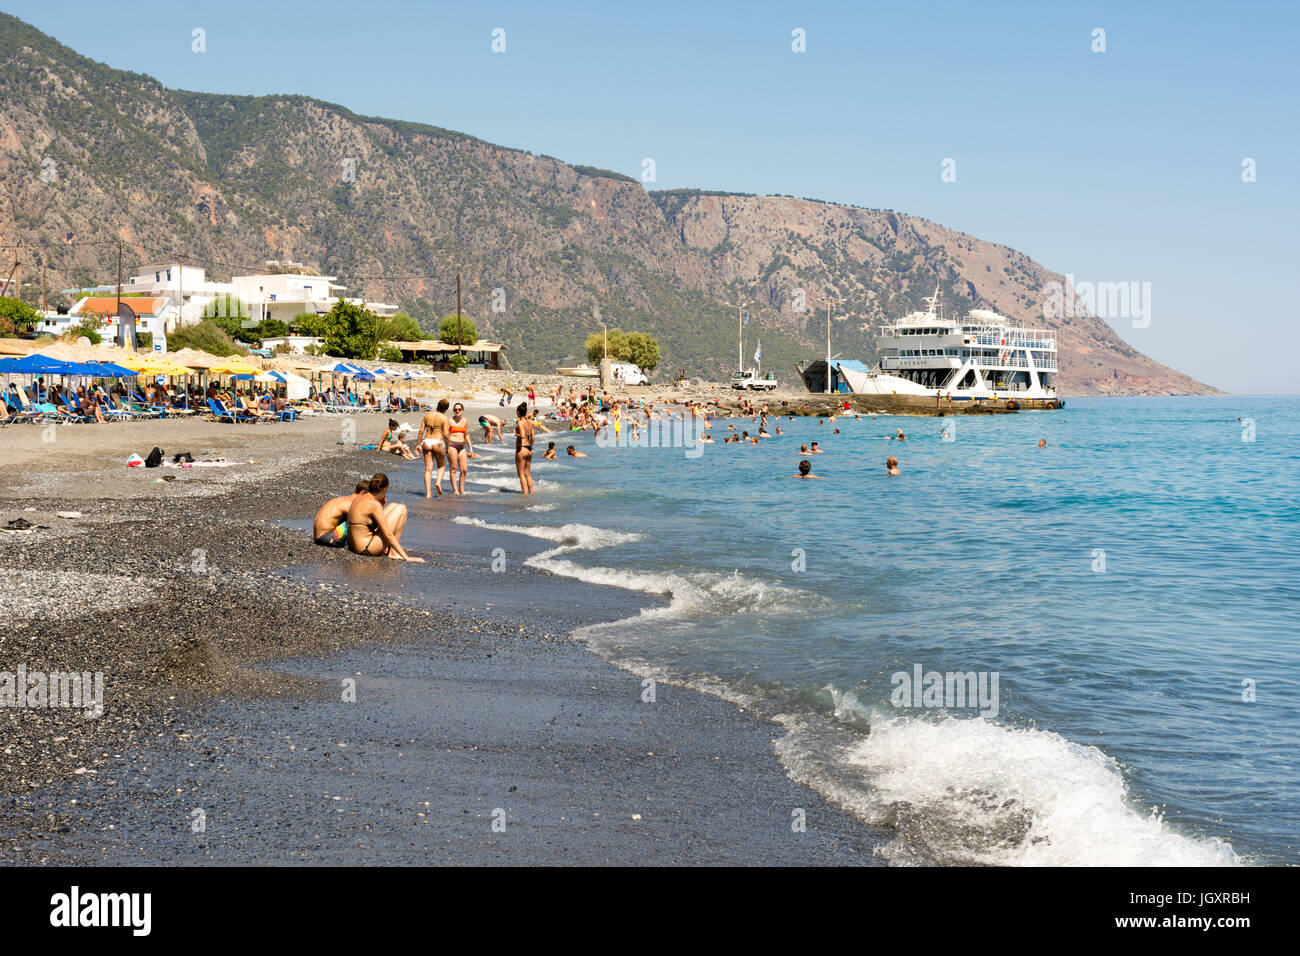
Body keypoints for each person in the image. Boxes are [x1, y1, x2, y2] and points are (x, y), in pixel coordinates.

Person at [346, 474, 422, 561]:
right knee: (401, 508)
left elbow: (370, 522)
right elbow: (388, 534)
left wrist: (381, 505)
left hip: (353, 546)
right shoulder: (374, 504)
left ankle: (391, 548)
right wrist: (407, 557)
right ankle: (394, 553)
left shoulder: (360, 497)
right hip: (366, 548)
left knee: (393, 506)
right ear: (384, 489)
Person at [417, 399, 451, 497]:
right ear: (446, 409)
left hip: (426, 441)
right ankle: (438, 483)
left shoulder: (427, 415)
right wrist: (448, 446)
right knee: (441, 466)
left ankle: (428, 494)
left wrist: (418, 444)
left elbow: (420, 431)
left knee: (428, 469)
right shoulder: (445, 418)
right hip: (438, 442)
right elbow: (445, 434)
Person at [447, 402, 475, 495]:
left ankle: (461, 490)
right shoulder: (449, 420)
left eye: (459, 409)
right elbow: (445, 435)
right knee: (453, 468)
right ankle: (455, 490)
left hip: (462, 446)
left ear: (462, 410)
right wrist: (446, 446)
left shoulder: (465, 421)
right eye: (455, 409)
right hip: (452, 445)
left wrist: (470, 447)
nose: (457, 411)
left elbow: (466, 434)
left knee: (464, 469)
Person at [515, 401, 535, 494]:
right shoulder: (530, 422)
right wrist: (530, 445)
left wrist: (516, 434)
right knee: (528, 474)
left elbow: (522, 435)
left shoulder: (520, 422)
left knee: (521, 474)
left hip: (521, 448)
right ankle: (531, 493)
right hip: (529, 449)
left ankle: (525, 496)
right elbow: (533, 437)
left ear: (518, 412)